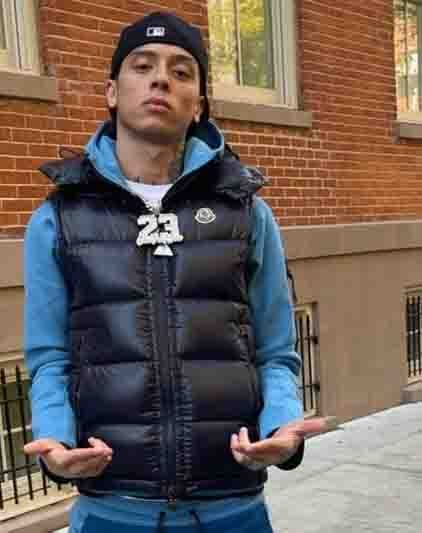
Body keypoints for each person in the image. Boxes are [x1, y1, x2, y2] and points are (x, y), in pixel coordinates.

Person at [23, 11, 328, 532]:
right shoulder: (59, 217)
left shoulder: (246, 212)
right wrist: (55, 441)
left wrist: (282, 425)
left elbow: (276, 349)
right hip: (112, 509)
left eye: (181, 71)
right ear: (112, 92)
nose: (161, 79)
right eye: (143, 66)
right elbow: (50, 355)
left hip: (231, 507)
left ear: (199, 104)